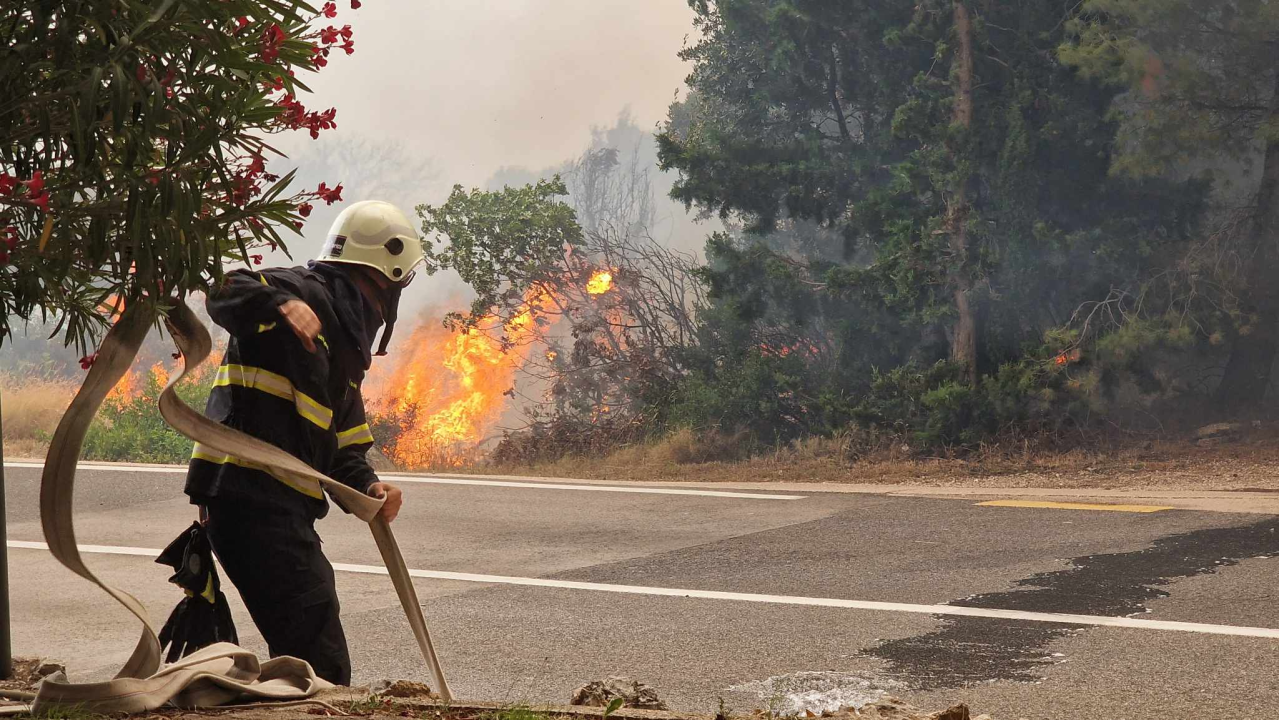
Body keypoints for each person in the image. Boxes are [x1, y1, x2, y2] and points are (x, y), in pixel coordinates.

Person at [184, 200, 424, 685]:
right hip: (247, 500)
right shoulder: (303, 290)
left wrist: (370, 488)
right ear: (387, 273)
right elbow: (224, 290)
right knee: (318, 658)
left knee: (311, 648)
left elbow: (343, 447)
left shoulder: (343, 342)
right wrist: (280, 304)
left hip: (277, 507)